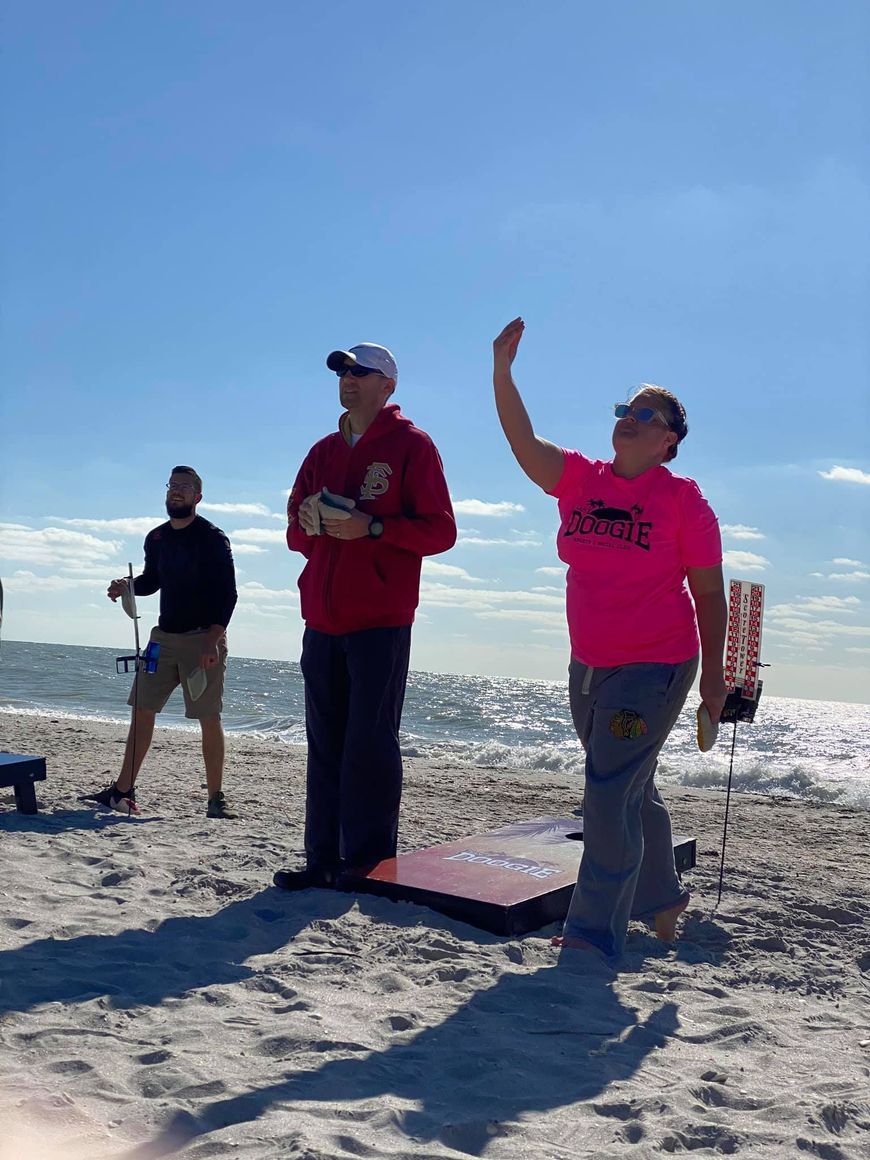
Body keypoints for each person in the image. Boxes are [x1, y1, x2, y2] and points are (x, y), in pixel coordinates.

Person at [492, 317, 727, 961]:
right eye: (625, 408)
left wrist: (713, 679)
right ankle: (661, 896)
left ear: (669, 441)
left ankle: (595, 934)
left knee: (605, 793)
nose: (630, 417)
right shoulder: (580, 479)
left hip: (656, 664)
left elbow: (709, 592)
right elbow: (522, 441)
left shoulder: (683, 499)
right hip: (590, 662)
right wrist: (502, 373)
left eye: (646, 413)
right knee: (628, 787)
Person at [274, 343, 456, 890]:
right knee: (325, 742)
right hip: (321, 618)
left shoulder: (412, 446)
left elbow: (441, 531)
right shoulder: (323, 450)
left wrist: (372, 527)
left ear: (388, 386)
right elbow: (293, 535)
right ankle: (322, 860)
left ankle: (369, 865)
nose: (349, 380)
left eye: (361, 372)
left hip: (380, 618)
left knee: (370, 745)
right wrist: (308, 521)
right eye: (343, 372)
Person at [89, 466, 239, 818]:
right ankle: (122, 790)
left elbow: (228, 594)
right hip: (162, 638)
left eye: (185, 487)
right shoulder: (157, 538)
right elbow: (152, 581)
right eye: (173, 485)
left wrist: (213, 640)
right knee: (142, 709)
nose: (177, 491)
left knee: (208, 717)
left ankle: (216, 798)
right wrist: (127, 586)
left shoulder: (213, 538)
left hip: (203, 638)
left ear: (197, 497)